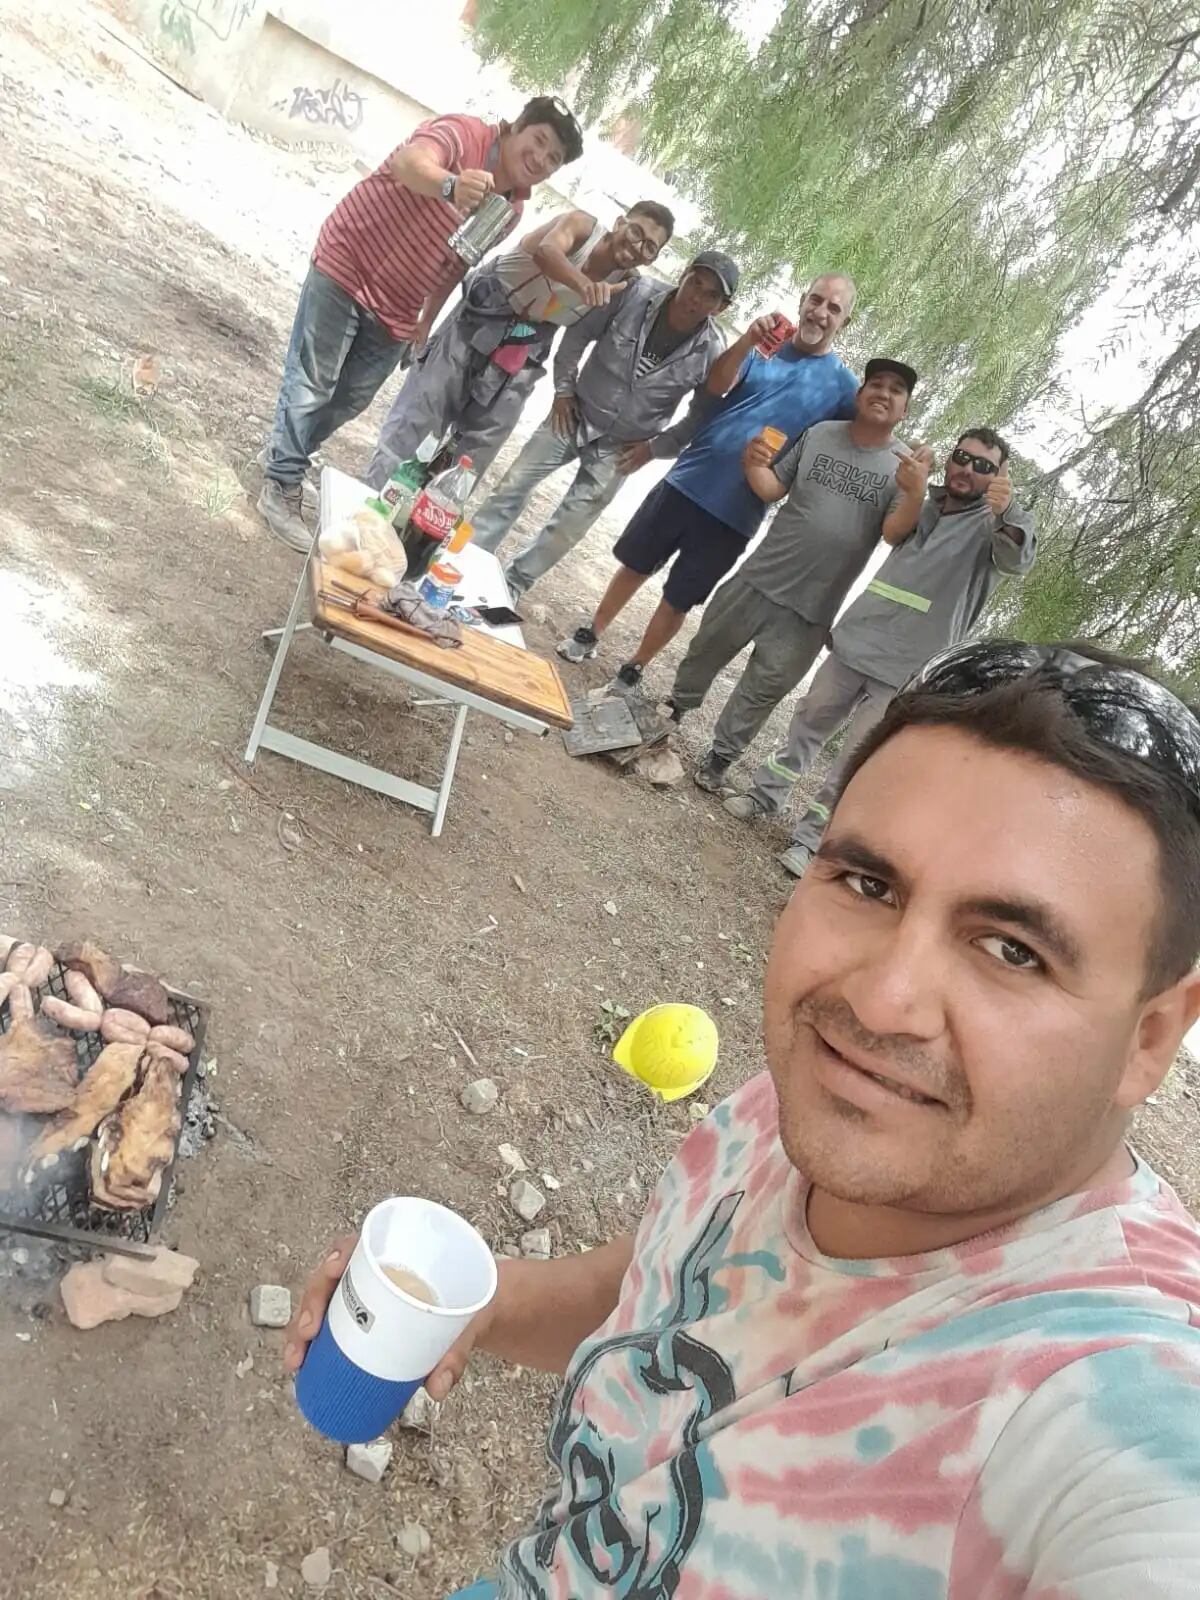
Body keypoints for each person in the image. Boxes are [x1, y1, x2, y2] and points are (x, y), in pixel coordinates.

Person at [287, 638, 1200, 1597]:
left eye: (1012, 950)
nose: (883, 1001)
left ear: (1150, 1038)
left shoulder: (1114, 1404)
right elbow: (645, 1291)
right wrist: (473, 1306)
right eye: (868, 885)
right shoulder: (796, 1105)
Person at [257, 96, 583, 551]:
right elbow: (410, 162)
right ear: (515, 127)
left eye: (554, 159)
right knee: (313, 383)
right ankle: (281, 482)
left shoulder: (511, 208)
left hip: (401, 302)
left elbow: (458, 259)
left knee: (352, 398)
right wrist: (451, 185)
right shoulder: (464, 133)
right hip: (348, 262)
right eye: (539, 141)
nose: (541, 160)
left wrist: (427, 318)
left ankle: (283, 454)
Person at [724, 427, 1037, 876]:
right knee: (809, 719)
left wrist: (1007, 510)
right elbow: (890, 532)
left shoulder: (997, 523)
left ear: (1000, 475)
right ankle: (763, 795)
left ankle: (812, 840)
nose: (968, 470)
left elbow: (1017, 561)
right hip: (858, 639)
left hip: (908, 666)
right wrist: (911, 485)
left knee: (857, 754)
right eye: (962, 458)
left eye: (984, 466)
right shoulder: (922, 500)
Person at [556, 273, 859, 692]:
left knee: (681, 596)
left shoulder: (845, 389)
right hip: (687, 479)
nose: (820, 312)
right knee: (636, 563)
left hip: (738, 512)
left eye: (834, 308)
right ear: (803, 299)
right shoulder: (765, 344)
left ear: (845, 320)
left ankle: (635, 667)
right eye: (816, 300)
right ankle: (591, 630)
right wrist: (745, 342)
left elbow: (856, 445)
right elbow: (716, 387)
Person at [668, 357, 929, 793]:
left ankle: (721, 758)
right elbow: (772, 488)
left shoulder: (901, 467)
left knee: (764, 688)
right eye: (876, 384)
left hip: (812, 608)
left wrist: (916, 492)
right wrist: (753, 463)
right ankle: (673, 709)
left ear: (904, 410)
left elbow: (893, 534)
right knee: (705, 650)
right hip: (757, 578)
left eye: (895, 390)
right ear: (859, 395)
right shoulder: (820, 435)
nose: (883, 392)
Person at [468, 253, 737, 597]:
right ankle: (470, 557)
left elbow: (700, 414)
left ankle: (512, 585)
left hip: (623, 447)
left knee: (569, 527)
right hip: (575, 412)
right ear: (683, 275)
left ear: (721, 307)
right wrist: (563, 390)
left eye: (710, 295)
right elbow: (579, 335)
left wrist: (655, 449)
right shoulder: (636, 293)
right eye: (695, 283)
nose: (696, 297)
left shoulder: (711, 351)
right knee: (513, 485)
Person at [364, 202, 675, 489]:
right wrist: (584, 286)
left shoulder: (626, 281)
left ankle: (420, 529)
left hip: (528, 342)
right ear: (620, 222)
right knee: (423, 413)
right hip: (486, 312)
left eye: (650, 247)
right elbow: (546, 251)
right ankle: (372, 499)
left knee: (476, 449)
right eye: (636, 232)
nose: (637, 246)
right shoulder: (582, 227)